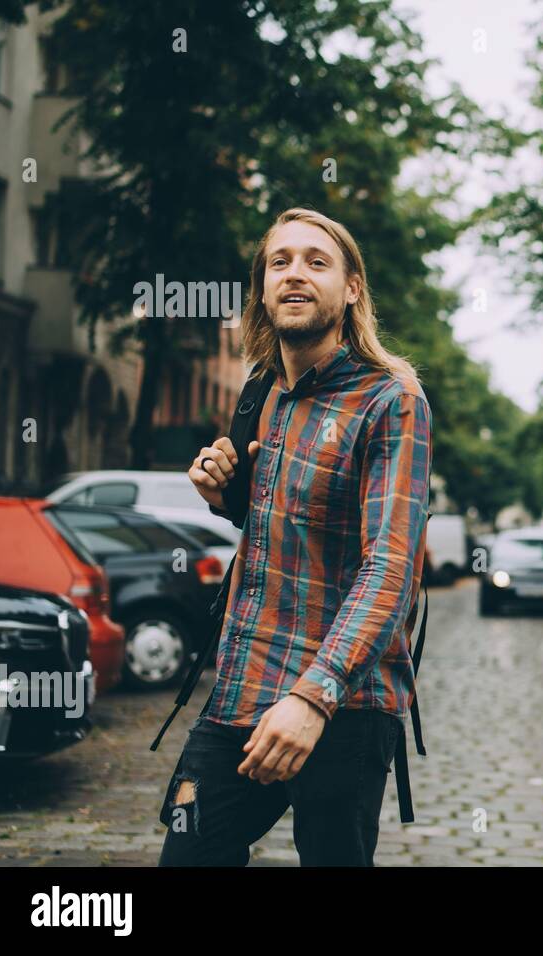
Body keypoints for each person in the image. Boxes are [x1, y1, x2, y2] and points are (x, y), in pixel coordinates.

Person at [157, 208, 432, 866]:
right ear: (262, 288)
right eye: (279, 262)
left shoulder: (389, 399)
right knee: (188, 853)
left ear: (351, 288)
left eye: (316, 261)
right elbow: (283, 527)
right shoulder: (261, 391)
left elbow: (390, 570)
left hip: (344, 703)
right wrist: (225, 499)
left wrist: (315, 697)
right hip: (241, 689)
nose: (295, 274)